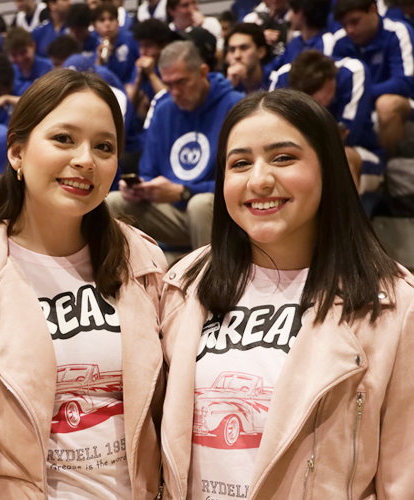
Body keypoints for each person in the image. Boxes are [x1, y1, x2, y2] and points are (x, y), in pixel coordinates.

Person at [158, 87, 414, 499]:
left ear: (328, 168)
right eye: (240, 163)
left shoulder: (394, 305)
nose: (259, 180)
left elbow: (403, 476)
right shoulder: (184, 285)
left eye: (283, 158)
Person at [0, 68, 166, 499]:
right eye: (64, 139)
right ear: (17, 153)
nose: (85, 159)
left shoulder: (143, 260)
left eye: (104, 146)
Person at [107, 40, 244, 250]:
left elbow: (241, 180)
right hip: (171, 212)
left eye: (181, 82)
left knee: (199, 206)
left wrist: (185, 192)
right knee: (113, 202)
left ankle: (213, 279)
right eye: (168, 84)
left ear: (203, 72)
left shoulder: (235, 106)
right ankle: (122, 278)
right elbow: (148, 171)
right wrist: (140, 188)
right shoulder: (163, 111)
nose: (174, 92)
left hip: (221, 214)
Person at [270, 50, 383, 192]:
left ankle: (344, 214)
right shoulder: (283, 77)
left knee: (341, 157)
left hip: (359, 151)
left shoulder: (352, 71)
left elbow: (348, 136)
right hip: (302, 154)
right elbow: (273, 135)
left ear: (331, 78)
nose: (321, 103)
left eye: (323, 94)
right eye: (312, 100)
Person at [332, 0, 414, 156]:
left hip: (402, 105)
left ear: (373, 9)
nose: (350, 30)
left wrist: (361, 93)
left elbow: (404, 83)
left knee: (387, 105)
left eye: (355, 22)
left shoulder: (397, 31)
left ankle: (391, 166)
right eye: (344, 25)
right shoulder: (340, 41)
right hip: (358, 108)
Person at [93, 3, 140, 84]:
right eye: (102, 20)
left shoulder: (131, 39)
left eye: (111, 19)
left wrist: (133, 85)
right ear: (95, 27)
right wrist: (99, 60)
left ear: (118, 22)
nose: (107, 24)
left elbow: (141, 65)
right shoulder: (96, 47)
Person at [224, 23, 271, 93]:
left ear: (261, 52)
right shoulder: (226, 88)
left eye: (244, 48)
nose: (237, 55)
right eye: (232, 50)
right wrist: (229, 86)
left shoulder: (277, 81)